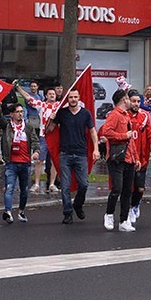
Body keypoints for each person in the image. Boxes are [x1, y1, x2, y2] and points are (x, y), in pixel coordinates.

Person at [47, 89, 100, 224]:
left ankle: (77, 204)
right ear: (67, 98)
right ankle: (67, 213)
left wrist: (96, 149)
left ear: (79, 98)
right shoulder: (62, 113)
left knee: (84, 184)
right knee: (65, 186)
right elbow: (49, 130)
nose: (73, 99)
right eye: (71, 97)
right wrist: (50, 119)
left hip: (81, 154)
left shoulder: (85, 113)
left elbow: (93, 132)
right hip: (65, 154)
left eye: (75, 97)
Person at [99, 89, 140, 232]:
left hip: (128, 157)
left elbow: (131, 140)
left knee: (128, 191)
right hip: (117, 158)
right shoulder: (114, 115)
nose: (130, 101)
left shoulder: (126, 116)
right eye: (129, 99)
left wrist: (136, 158)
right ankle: (109, 214)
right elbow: (106, 132)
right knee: (117, 188)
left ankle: (124, 221)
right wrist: (124, 135)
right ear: (124, 100)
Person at [0, 103, 39, 223]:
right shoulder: (7, 126)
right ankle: (8, 212)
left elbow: (35, 141)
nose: (20, 114)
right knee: (9, 188)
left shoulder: (28, 127)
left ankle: (21, 211)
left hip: (25, 163)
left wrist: (36, 151)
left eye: (22, 112)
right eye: (18, 112)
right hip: (12, 163)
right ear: (12, 114)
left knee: (24, 190)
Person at [126, 89, 151, 225]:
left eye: (138, 101)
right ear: (128, 101)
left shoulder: (145, 115)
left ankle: (135, 205)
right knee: (129, 187)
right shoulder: (124, 116)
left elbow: (150, 134)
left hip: (142, 157)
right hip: (129, 157)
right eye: (133, 101)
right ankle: (129, 209)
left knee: (140, 188)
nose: (136, 104)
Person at [16, 85, 60, 193]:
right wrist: (18, 88)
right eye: (50, 94)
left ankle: (52, 184)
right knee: (39, 160)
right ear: (46, 96)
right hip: (43, 136)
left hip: (55, 137)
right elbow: (28, 97)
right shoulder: (42, 105)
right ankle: (36, 183)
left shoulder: (60, 106)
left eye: (53, 94)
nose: (52, 95)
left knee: (54, 160)